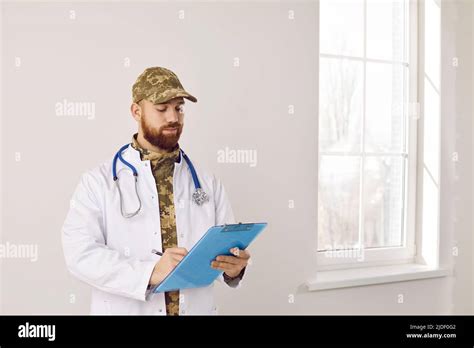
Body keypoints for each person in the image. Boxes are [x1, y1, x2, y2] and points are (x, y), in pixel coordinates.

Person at [61, 66, 250, 315]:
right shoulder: (98, 182)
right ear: (136, 111)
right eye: (162, 109)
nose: (173, 117)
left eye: (179, 108)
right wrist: (149, 272)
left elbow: (224, 249)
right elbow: (80, 254)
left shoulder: (206, 182)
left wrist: (234, 268)